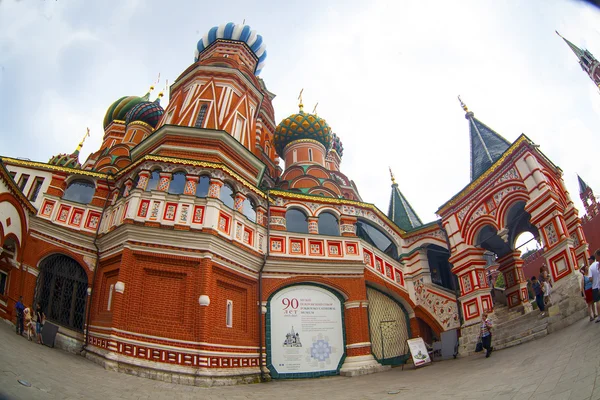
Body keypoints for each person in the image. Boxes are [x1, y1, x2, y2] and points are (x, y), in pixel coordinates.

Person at [587, 252, 600, 323]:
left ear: (592, 260)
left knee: (597, 302)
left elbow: (590, 279)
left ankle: (599, 316)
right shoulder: (598, 264)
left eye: (589, 260)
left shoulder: (591, 267)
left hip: (595, 286)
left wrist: (591, 280)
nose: (589, 261)